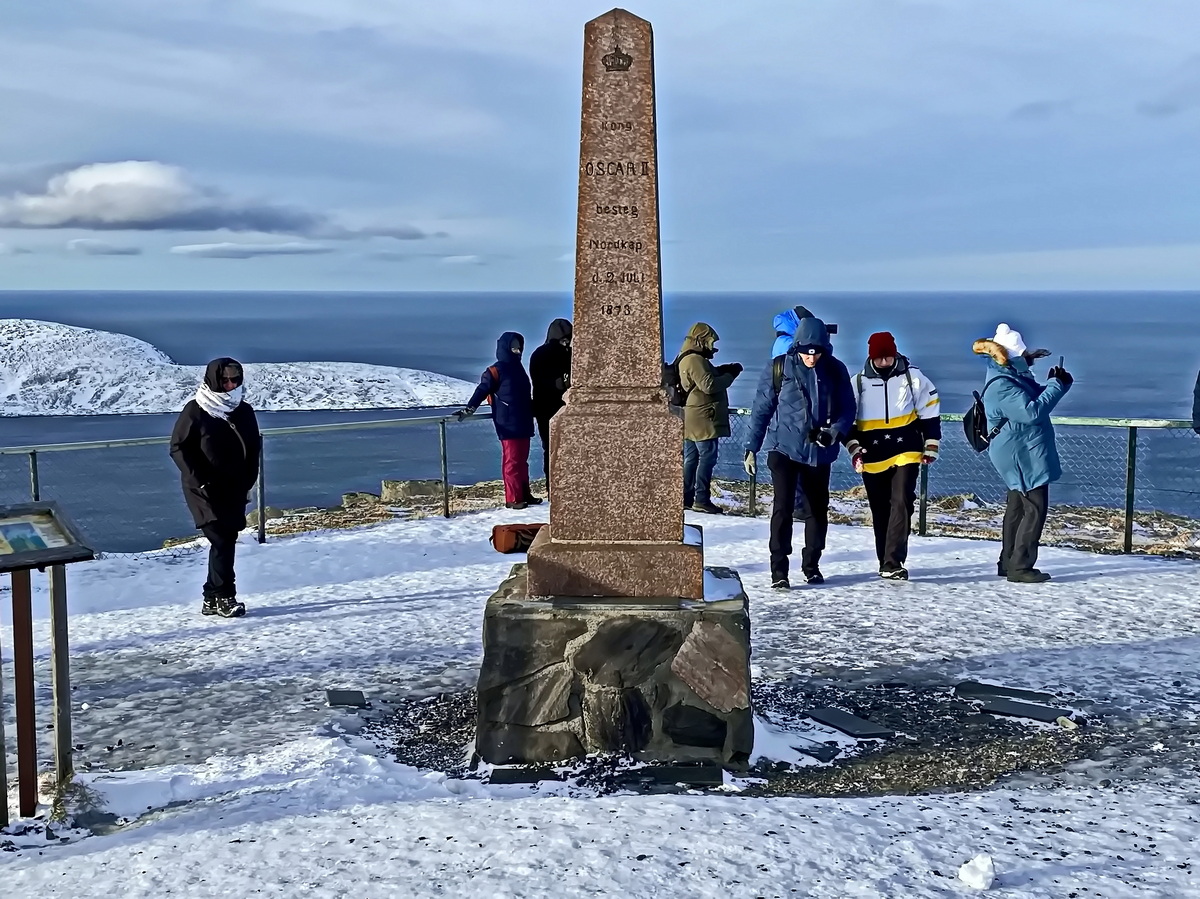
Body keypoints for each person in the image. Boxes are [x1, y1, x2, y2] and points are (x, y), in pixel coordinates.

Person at [744, 316, 856, 589]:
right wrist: (751, 447)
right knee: (782, 509)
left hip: (819, 452)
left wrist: (836, 432)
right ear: (797, 347)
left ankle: (811, 565)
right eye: (807, 351)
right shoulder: (779, 368)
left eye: (817, 351)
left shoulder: (836, 370)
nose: (812, 356)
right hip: (784, 449)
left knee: (817, 510)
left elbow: (848, 408)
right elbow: (761, 410)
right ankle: (779, 571)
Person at [973, 323, 1073, 584]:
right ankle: (1021, 566)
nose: (1026, 356)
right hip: (1022, 454)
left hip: (1020, 450)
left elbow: (1032, 397)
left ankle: (1008, 562)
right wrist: (1055, 386)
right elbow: (1031, 412)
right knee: (1034, 509)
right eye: (1022, 353)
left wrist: (1056, 384)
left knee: (1018, 508)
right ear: (1010, 355)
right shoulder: (1003, 385)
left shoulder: (1008, 376)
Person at [844, 332, 942, 580]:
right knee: (880, 509)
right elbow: (846, 420)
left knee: (902, 502)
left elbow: (930, 409)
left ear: (895, 354)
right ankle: (884, 560)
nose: (885, 362)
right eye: (880, 358)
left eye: (888, 357)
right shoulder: (857, 383)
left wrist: (931, 443)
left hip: (906, 449)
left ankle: (893, 561)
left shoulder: (913, 377)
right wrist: (854, 449)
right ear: (871, 358)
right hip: (872, 454)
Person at [169, 357, 261, 618]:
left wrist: (248, 480)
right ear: (213, 380)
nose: (230, 385)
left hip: (234, 487)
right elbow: (178, 447)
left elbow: (253, 447)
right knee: (220, 538)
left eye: (235, 380)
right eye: (224, 380)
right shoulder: (195, 411)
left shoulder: (243, 411)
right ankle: (224, 597)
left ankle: (211, 598)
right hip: (203, 490)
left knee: (227, 538)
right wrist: (200, 479)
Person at [457, 332, 540, 510]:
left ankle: (525, 494)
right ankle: (513, 498)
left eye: (519, 347)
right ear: (505, 347)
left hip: (524, 420)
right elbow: (482, 390)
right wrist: (470, 408)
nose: (517, 350)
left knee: (522, 461)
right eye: (514, 347)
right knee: (512, 461)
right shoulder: (495, 370)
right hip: (508, 423)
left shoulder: (519, 368)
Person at [676, 322, 742, 513]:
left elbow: (702, 379)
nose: (712, 346)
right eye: (710, 341)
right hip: (703, 417)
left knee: (691, 458)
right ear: (701, 340)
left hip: (692, 416)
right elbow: (709, 386)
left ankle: (686, 497)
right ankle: (701, 498)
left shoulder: (687, 357)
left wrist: (720, 370)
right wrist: (730, 375)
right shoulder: (695, 359)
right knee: (707, 458)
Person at [529, 318, 572, 487]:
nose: (567, 342)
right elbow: (544, 381)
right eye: (565, 339)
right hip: (551, 408)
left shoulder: (538, 354)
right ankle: (555, 487)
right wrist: (562, 383)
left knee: (552, 449)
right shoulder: (550, 354)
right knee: (554, 449)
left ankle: (553, 487)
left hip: (545, 408)